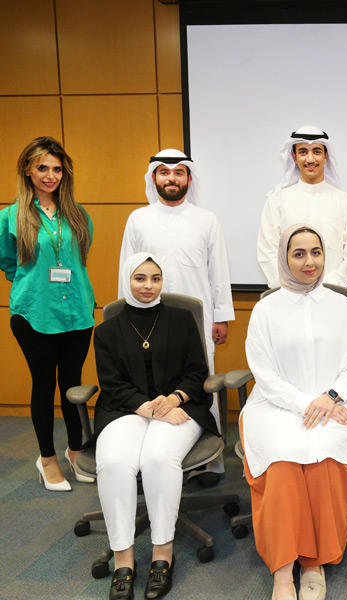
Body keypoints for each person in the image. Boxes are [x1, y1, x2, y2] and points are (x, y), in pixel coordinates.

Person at [240, 224, 347, 600]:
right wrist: (305, 404)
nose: (309, 261)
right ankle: (283, 573)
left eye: (316, 252)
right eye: (299, 254)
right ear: (284, 258)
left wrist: (330, 397)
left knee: (323, 460)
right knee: (282, 463)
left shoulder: (341, 306)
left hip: (336, 404)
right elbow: (264, 374)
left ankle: (314, 563)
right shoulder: (265, 309)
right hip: (276, 406)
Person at [93, 253, 218, 600]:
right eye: (140, 278)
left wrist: (174, 399)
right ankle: (123, 561)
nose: (148, 286)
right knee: (114, 462)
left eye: (155, 278)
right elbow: (111, 383)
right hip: (125, 410)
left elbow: (197, 372)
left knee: (158, 458)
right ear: (127, 280)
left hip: (179, 407)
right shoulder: (106, 331)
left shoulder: (181, 320)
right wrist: (150, 408)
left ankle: (163, 555)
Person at [118, 149, 234, 474]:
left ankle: (209, 463)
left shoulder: (207, 219)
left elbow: (218, 271)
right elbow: (127, 270)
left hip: (198, 321)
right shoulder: (138, 219)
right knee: (149, 382)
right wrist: (125, 318)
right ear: (154, 177)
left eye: (179, 172)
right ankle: (153, 462)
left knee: (201, 385)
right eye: (164, 172)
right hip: (147, 320)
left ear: (189, 178)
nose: (172, 178)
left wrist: (221, 317)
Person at [0, 136, 95, 492]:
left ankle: (75, 450)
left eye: (57, 169)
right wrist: (34, 285)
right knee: (43, 385)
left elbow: (79, 258)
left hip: (77, 312)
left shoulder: (78, 214)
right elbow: (8, 262)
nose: (50, 175)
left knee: (72, 385)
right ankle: (47, 459)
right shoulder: (10, 217)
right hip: (34, 313)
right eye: (42, 168)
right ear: (28, 170)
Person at [257, 125, 347, 288]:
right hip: (288, 294)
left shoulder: (346, 202)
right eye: (303, 152)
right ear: (294, 157)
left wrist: (328, 290)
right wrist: (289, 289)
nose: (310, 159)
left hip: (333, 294)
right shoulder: (277, 200)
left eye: (317, 151)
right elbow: (267, 252)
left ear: (326, 156)